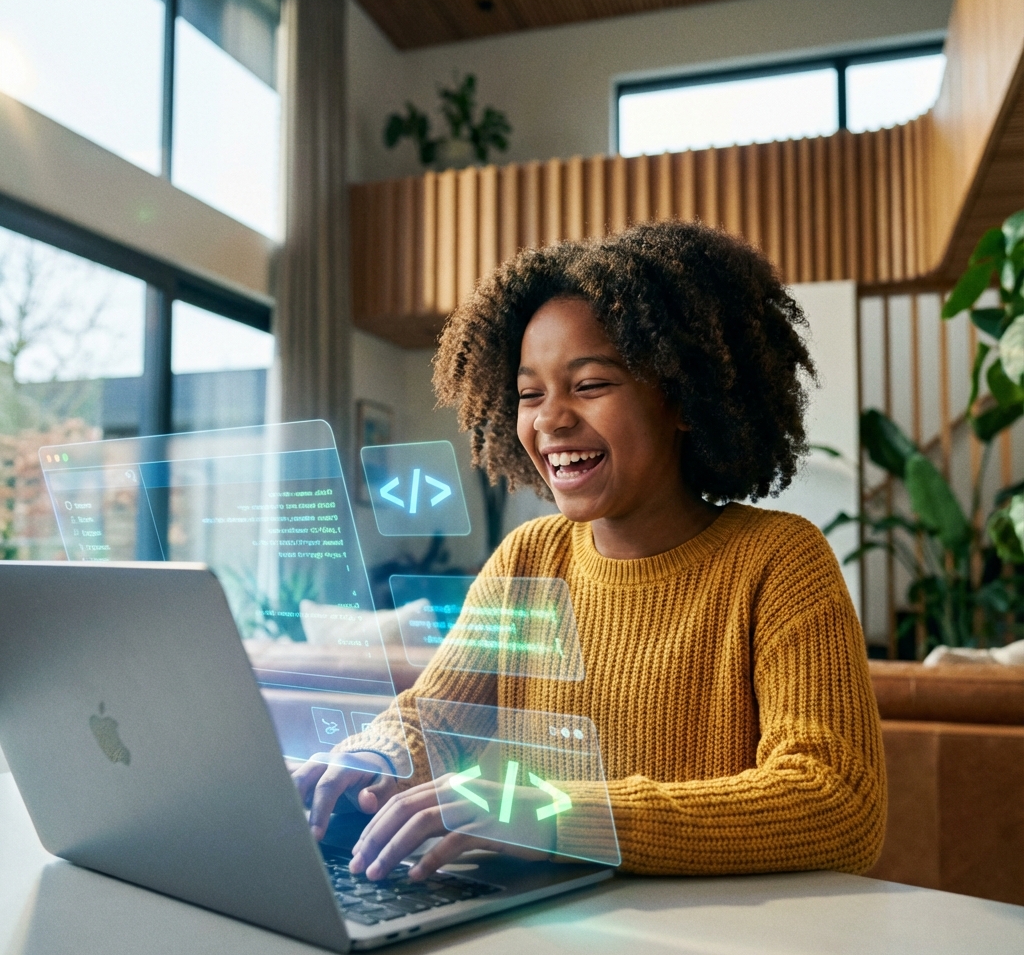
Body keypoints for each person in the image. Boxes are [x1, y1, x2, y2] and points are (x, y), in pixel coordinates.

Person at [292, 220, 886, 882]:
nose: (550, 419)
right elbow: (436, 720)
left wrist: (554, 816)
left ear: (684, 398)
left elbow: (837, 803)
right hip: (546, 934)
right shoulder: (529, 557)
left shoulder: (780, 562)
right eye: (529, 393)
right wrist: (376, 756)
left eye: (591, 384)